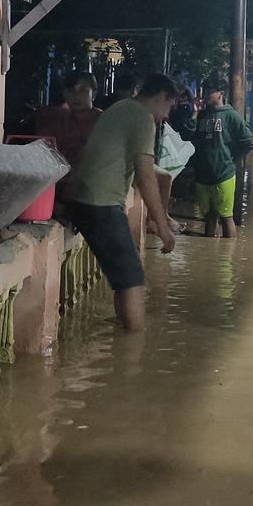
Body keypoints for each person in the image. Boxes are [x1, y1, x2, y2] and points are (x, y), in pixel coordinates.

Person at [69, 73, 179, 331]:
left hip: (83, 201)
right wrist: (162, 227)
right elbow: (146, 175)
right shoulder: (142, 118)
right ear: (161, 97)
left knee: (124, 277)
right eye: (169, 106)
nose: (167, 115)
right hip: (102, 204)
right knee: (133, 280)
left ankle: (122, 339)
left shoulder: (120, 107)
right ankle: (133, 352)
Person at [190, 81, 253, 239]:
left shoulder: (230, 116)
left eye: (210, 91)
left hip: (223, 174)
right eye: (204, 90)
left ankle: (226, 258)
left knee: (226, 217)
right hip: (203, 174)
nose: (205, 94)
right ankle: (211, 254)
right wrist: (194, 114)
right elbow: (190, 137)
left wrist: (233, 161)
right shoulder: (203, 115)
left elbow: (249, 141)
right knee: (209, 217)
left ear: (221, 94)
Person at [33, 71, 103, 198]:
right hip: (59, 187)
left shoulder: (103, 122)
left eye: (82, 90)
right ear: (64, 94)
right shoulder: (57, 120)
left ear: (94, 94)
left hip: (92, 189)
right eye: (71, 91)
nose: (76, 96)